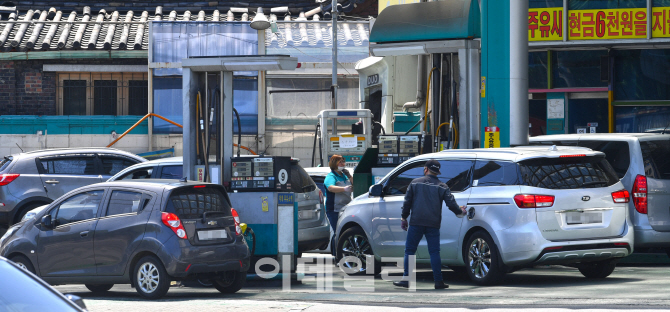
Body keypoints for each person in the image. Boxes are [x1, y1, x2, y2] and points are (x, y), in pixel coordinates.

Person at [393, 159, 467, 290]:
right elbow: (452, 205)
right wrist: (461, 211)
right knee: (434, 252)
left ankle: (407, 279)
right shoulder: (442, 186)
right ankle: (438, 282)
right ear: (437, 172)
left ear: (425, 169)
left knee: (410, 251)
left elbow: (407, 203)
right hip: (433, 223)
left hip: (416, 222)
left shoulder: (414, 183)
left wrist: (404, 218)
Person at [323, 155, 353, 232]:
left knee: (345, 231)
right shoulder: (331, 176)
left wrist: (350, 176)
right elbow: (330, 188)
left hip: (346, 208)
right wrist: (344, 189)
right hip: (335, 210)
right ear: (334, 163)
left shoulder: (344, 175)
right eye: (340, 162)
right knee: (338, 232)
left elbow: (354, 185)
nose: (343, 164)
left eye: (343, 161)